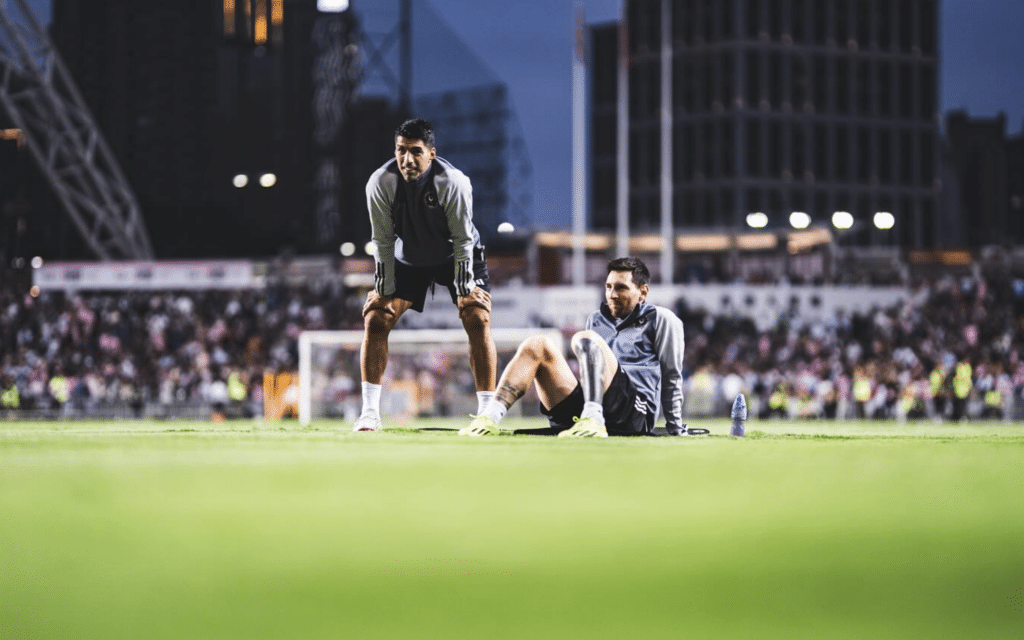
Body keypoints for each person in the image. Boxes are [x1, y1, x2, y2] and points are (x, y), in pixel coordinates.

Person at [354, 118, 497, 432]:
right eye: (401, 150)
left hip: (455, 254)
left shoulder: (454, 182)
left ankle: (486, 412)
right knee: (376, 318)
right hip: (410, 257)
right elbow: (382, 240)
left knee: (477, 316)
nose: (407, 159)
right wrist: (382, 287)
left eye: (415, 151)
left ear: (431, 153)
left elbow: (462, 240)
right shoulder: (380, 182)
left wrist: (465, 287)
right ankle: (369, 414)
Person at [460, 257, 687, 438]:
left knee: (585, 338)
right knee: (537, 344)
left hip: (636, 414)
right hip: (594, 403)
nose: (612, 294)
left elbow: (672, 376)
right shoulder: (597, 320)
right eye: (608, 287)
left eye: (621, 288)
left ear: (643, 292)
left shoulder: (662, 319)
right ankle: (489, 416)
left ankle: (593, 417)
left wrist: (675, 427)